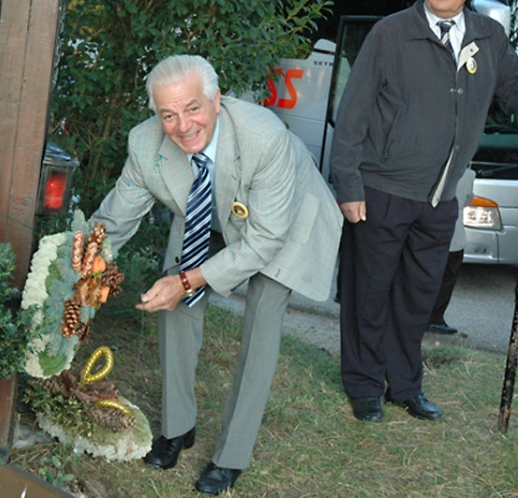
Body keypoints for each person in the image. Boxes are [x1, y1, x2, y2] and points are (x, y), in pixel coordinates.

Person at [91, 54, 342, 495]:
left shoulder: (264, 138)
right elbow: (115, 219)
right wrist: (80, 260)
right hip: (208, 215)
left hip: (282, 224)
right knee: (174, 306)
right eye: (168, 114)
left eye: (192, 108)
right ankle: (177, 429)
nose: (182, 125)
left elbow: (263, 240)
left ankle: (230, 456)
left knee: (261, 326)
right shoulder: (145, 144)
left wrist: (188, 281)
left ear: (216, 100)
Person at [330, 0, 518, 423]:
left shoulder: (489, 37)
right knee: (369, 294)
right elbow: (353, 112)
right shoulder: (391, 32)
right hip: (381, 189)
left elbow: (514, 91)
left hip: (440, 199)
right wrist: (348, 183)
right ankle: (363, 385)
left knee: (417, 299)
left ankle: (405, 386)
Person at [427, 167, 476, 335]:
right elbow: (468, 199)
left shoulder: (431, 166)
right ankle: (435, 318)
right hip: (454, 232)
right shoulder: (468, 174)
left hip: (427, 229)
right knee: (447, 278)